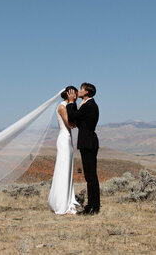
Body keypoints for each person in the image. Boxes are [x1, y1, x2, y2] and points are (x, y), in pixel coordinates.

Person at [66, 82, 99, 214]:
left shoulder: (89, 105)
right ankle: (92, 206)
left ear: (86, 92)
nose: (78, 91)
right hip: (88, 142)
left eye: (80, 89)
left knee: (91, 177)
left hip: (88, 143)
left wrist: (70, 102)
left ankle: (93, 207)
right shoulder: (87, 105)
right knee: (90, 176)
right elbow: (79, 121)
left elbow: (73, 116)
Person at [47, 86, 80, 214]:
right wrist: (72, 105)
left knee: (67, 169)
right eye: (74, 94)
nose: (76, 97)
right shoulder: (62, 106)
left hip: (68, 138)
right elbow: (70, 124)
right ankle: (62, 204)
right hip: (64, 139)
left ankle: (66, 201)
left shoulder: (67, 106)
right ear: (69, 94)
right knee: (63, 169)